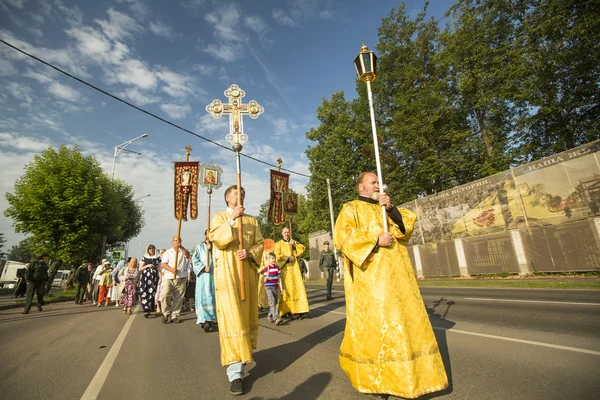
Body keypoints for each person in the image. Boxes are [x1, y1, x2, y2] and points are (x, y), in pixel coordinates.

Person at [334, 172, 448, 399]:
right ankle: (381, 381)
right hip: (372, 284)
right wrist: (375, 241)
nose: (377, 185)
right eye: (372, 182)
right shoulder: (351, 208)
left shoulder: (386, 207)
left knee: (405, 326)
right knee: (380, 330)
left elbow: (405, 231)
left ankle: (411, 377)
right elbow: (343, 238)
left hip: (400, 280)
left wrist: (391, 209)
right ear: (361, 188)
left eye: (379, 182)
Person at [209, 185, 264, 396]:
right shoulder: (219, 218)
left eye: (242, 192)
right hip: (227, 277)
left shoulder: (252, 220)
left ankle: (244, 355)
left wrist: (250, 252)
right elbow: (218, 240)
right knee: (232, 320)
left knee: (245, 318)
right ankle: (235, 374)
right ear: (226, 197)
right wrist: (232, 218)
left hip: (247, 275)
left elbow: (261, 245)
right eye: (235, 193)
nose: (239, 195)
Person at [275, 227, 309, 320]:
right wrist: (286, 258)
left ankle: (299, 310)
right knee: (286, 291)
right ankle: (286, 311)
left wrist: (294, 246)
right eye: (285, 232)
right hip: (285, 270)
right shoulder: (278, 244)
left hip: (294, 269)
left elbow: (302, 249)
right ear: (282, 233)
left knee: (297, 288)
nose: (286, 234)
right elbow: (277, 256)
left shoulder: (293, 242)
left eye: (288, 232)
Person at [191, 230, 217, 332]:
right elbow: (194, 260)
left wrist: (211, 250)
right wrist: (202, 267)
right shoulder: (199, 247)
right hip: (203, 276)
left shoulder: (217, 247)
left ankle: (213, 319)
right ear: (205, 235)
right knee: (204, 295)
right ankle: (204, 320)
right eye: (208, 233)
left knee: (213, 295)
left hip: (214, 275)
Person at [160, 237, 189, 324]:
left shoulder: (183, 251)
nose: (177, 242)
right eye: (175, 240)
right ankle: (166, 313)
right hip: (169, 277)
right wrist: (171, 269)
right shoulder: (167, 252)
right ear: (172, 242)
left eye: (179, 240)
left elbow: (188, 256)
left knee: (179, 297)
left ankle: (175, 315)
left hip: (181, 277)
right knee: (165, 294)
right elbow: (164, 264)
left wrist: (181, 248)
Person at [139, 244, 161, 318]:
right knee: (144, 292)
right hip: (145, 277)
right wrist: (147, 266)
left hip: (154, 277)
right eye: (150, 249)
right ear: (148, 250)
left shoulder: (158, 258)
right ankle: (146, 309)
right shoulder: (145, 258)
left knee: (152, 293)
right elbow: (140, 268)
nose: (151, 250)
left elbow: (159, 268)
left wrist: (160, 277)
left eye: (152, 249)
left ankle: (150, 308)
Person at [263, 252, 283, 325]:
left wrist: (281, 288)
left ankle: (269, 315)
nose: (273, 260)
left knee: (275, 302)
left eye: (274, 258)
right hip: (268, 287)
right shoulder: (266, 269)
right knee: (272, 301)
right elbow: (264, 281)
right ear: (268, 260)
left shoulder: (277, 268)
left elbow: (279, 279)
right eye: (271, 258)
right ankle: (276, 318)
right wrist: (267, 275)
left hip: (275, 286)